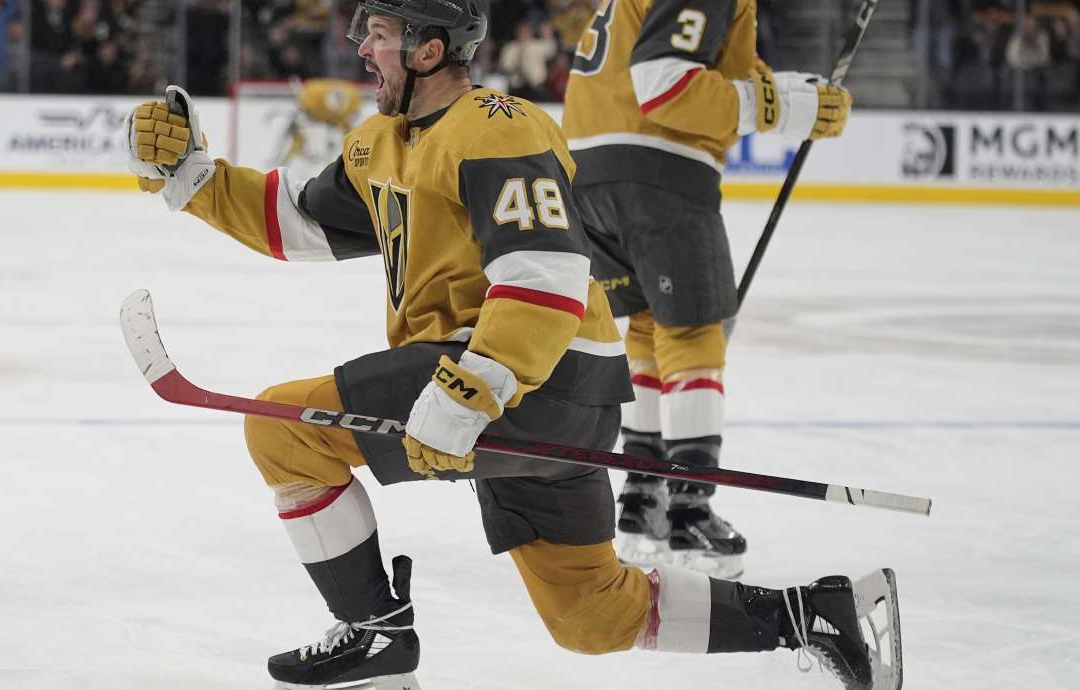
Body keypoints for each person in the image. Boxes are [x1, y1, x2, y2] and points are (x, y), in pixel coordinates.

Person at [124, 1, 896, 689]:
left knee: (282, 430)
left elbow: (546, 276)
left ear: (430, 50)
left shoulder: (499, 126)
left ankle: (376, 635)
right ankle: (815, 615)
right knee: (590, 616)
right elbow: (297, 224)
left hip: (530, 378)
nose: (364, 49)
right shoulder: (380, 144)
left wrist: (472, 388)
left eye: (383, 35)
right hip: (536, 391)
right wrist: (190, 176)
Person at [563, 0, 853, 577]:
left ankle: (642, 501)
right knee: (694, 334)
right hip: (659, 171)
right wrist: (776, 107)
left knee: (647, 326)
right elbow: (666, 85)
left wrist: (785, 94)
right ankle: (691, 513)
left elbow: (693, 63)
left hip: (589, 174)